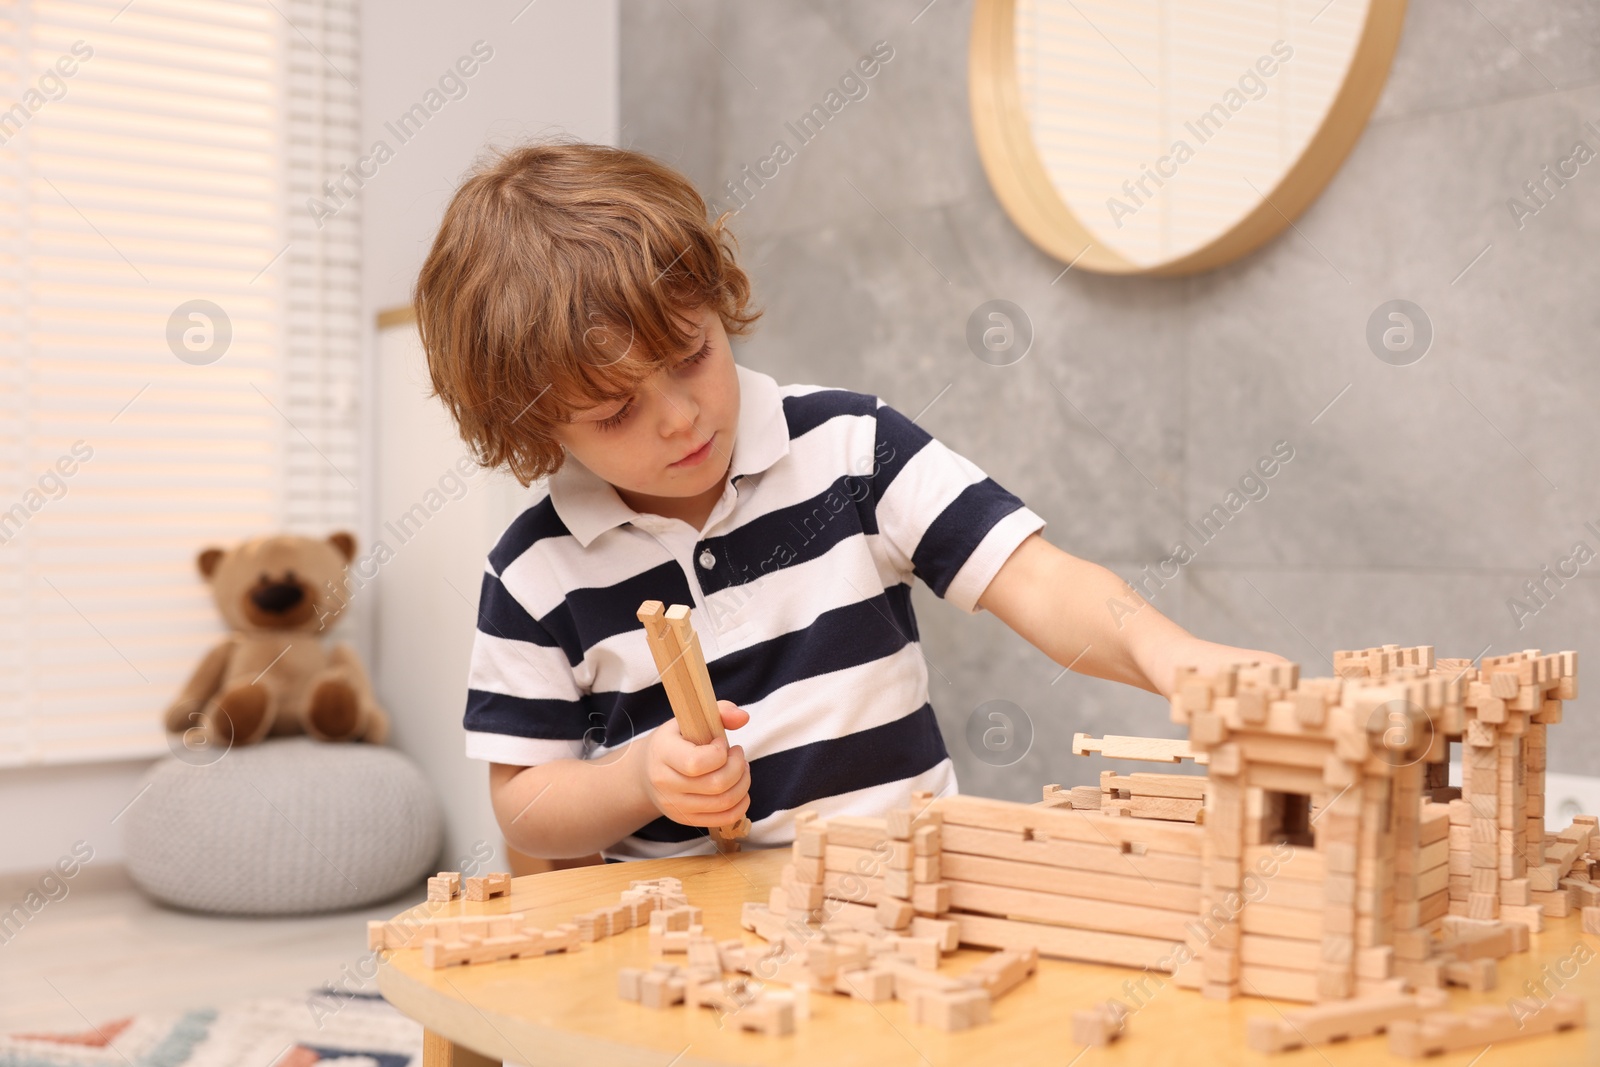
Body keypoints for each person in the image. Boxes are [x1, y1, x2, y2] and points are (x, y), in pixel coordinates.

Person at [413, 139, 1284, 862]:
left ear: (717, 304)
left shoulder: (850, 448)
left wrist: (1174, 656)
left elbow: (1039, 581)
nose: (681, 419)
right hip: (690, 946)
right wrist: (639, 779)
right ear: (533, 429)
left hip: (904, 888)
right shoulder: (534, 572)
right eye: (615, 412)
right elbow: (524, 805)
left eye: (691, 357)